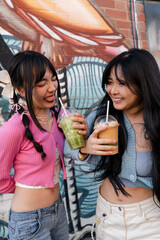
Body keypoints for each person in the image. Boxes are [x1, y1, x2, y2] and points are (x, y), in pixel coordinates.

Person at [64, 48, 160, 239]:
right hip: (107, 217)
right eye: (109, 83)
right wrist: (85, 148)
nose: (113, 90)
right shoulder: (102, 116)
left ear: (143, 83)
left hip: (149, 220)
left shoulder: (156, 123)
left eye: (122, 84)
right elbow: (68, 149)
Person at [0, 50, 88, 240]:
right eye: (41, 83)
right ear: (20, 90)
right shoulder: (13, 128)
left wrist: (83, 144)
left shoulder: (58, 116)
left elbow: (70, 151)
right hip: (28, 220)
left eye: (53, 79)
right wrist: (24, 189)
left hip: (58, 211)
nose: (52, 88)